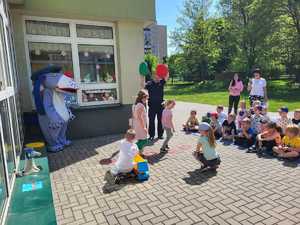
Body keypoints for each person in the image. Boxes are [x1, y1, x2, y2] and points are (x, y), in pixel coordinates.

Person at [145, 74, 168, 141]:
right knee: (151, 121)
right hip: (151, 106)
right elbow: (143, 87)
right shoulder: (149, 84)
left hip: (161, 106)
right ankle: (151, 135)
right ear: (153, 77)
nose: (158, 78)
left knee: (160, 121)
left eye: (159, 76)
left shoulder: (161, 82)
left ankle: (160, 135)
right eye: (156, 76)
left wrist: (165, 69)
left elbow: (166, 76)